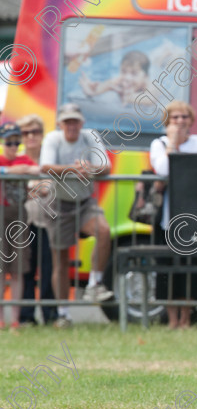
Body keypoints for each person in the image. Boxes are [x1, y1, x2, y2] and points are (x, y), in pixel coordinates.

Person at [39, 103, 113, 328]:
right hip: (58, 204)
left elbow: (106, 168)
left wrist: (90, 168)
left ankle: (94, 284)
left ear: (82, 123)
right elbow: (45, 167)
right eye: (67, 121)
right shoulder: (52, 139)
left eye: (75, 121)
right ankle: (63, 314)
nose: (72, 125)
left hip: (85, 202)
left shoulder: (90, 136)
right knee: (60, 260)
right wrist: (73, 169)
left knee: (103, 231)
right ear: (60, 124)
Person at [149, 101, 197, 329]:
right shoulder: (159, 144)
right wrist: (173, 144)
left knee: (190, 268)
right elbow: (162, 169)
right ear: (167, 122)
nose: (180, 121)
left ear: (191, 120)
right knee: (167, 267)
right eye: (175, 118)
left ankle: (186, 319)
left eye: (184, 117)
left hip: (194, 216)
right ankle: (172, 319)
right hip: (167, 218)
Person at [18, 114, 58, 326]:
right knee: (26, 269)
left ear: (42, 134)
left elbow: (49, 187)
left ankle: (50, 315)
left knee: (49, 269)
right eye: (26, 132)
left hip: (48, 222)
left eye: (35, 131)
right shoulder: (16, 158)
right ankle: (26, 316)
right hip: (23, 223)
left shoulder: (50, 157)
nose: (31, 136)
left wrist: (28, 188)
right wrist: (34, 188)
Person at [0, 123, 40, 329]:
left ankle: (14, 319)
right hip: (1, 217)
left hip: (18, 219)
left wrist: (18, 170)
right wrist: (9, 170)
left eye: (17, 141)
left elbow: (34, 169)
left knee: (17, 269)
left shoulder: (24, 159)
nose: (13, 145)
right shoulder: (3, 159)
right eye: (9, 141)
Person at [78, 50, 152, 107]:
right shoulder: (119, 80)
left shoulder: (150, 85)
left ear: (145, 76)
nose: (127, 77)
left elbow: (149, 100)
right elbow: (106, 85)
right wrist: (92, 91)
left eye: (134, 73)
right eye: (124, 71)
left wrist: (127, 96)